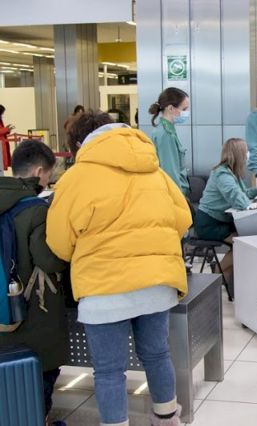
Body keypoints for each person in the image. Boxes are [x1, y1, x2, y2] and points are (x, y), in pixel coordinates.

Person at [46, 111, 192, 426]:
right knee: (157, 354)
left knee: (110, 371)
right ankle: (167, 418)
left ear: (78, 143)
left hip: (103, 286)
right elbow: (183, 220)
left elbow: (59, 241)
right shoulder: (153, 169)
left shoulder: (76, 177)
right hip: (157, 281)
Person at [0, 140, 69, 426]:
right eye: (49, 175)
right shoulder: (36, 210)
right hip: (31, 317)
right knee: (37, 381)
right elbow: (50, 261)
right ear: (40, 171)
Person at [195, 138, 257, 287]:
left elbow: (242, 192)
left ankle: (225, 276)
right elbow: (235, 196)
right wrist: (249, 205)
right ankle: (216, 276)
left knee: (244, 241)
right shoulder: (222, 174)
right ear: (238, 154)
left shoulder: (231, 173)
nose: (248, 154)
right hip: (209, 224)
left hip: (220, 221)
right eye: (246, 151)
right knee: (243, 244)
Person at [149, 87, 190, 196]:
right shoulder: (166, 134)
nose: (187, 113)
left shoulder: (166, 130)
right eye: (184, 109)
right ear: (171, 108)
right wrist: (179, 200)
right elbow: (171, 174)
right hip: (174, 195)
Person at [0, 104, 15, 170]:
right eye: (2, 113)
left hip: (2, 143)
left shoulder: (0, 121)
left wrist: (7, 129)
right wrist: (6, 129)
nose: (3, 114)